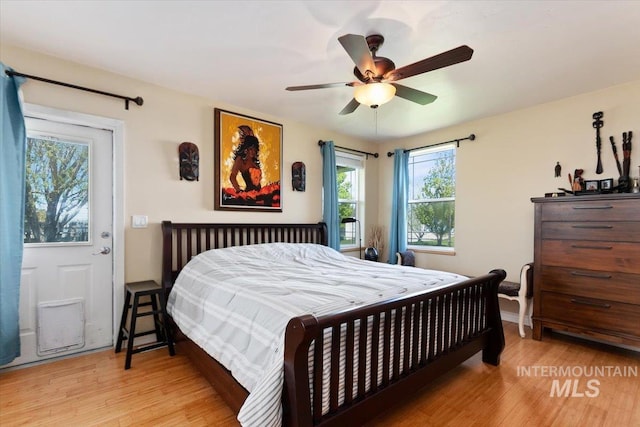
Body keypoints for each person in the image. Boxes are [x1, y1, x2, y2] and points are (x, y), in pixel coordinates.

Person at [230, 126, 262, 192]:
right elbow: (232, 177)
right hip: (248, 195)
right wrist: (239, 191)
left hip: (260, 193)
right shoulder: (241, 160)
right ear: (246, 149)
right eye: (251, 149)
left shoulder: (254, 162)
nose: (253, 152)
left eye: (254, 149)